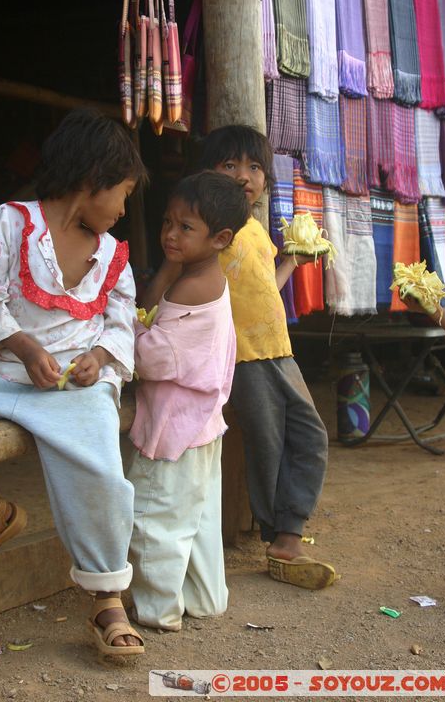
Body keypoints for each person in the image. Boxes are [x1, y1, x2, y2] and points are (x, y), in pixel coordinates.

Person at [0, 108, 148, 658]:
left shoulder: (112, 256)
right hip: (4, 377)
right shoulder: (13, 221)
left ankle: (106, 595)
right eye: (122, 194)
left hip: (75, 390)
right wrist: (25, 349)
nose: (123, 210)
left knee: (100, 472)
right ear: (92, 178)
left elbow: (122, 324)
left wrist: (99, 356)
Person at [143, 125, 336, 590]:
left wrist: (292, 261)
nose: (244, 176)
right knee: (268, 444)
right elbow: (168, 281)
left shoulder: (253, 231)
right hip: (244, 356)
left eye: (254, 167)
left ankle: (289, 528)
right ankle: (281, 538)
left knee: (310, 435)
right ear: (207, 172)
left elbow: (266, 284)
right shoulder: (209, 234)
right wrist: (147, 310)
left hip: (279, 350)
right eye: (229, 165)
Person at [125, 171, 250, 631]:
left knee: (156, 518)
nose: (170, 234)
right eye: (167, 222)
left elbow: (155, 358)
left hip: (173, 431)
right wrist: (170, 263)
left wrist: (125, 328)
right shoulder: (201, 276)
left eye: (185, 227)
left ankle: (157, 610)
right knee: (197, 520)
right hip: (201, 425)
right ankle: (205, 598)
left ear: (220, 239)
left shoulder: (192, 287)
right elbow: (156, 305)